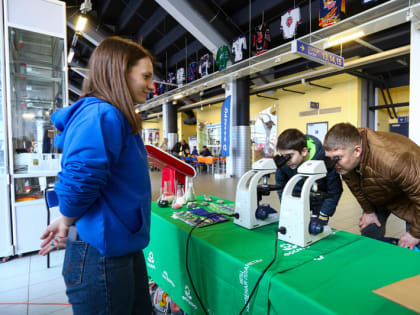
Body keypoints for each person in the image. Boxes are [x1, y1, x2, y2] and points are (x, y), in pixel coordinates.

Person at [39, 36, 155, 314]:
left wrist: (67, 218)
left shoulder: (113, 116)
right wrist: (67, 218)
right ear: (120, 71)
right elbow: (81, 177)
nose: (152, 86)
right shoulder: (102, 114)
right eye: (146, 76)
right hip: (101, 256)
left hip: (118, 246)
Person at [324, 123, 420, 249]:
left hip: (411, 197)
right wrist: (369, 211)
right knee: (369, 230)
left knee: (414, 244)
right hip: (381, 189)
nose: (333, 164)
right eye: (329, 158)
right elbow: (356, 187)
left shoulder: (394, 161)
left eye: (337, 158)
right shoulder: (346, 157)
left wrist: (414, 234)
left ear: (357, 151)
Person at [275, 129, 343, 234]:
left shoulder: (325, 160)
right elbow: (281, 186)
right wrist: (287, 206)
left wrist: (324, 214)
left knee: (315, 229)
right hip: (297, 198)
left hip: (320, 200)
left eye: (290, 155)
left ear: (304, 151)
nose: (286, 160)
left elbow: (335, 190)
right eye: (283, 156)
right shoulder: (285, 162)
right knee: (295, 230)